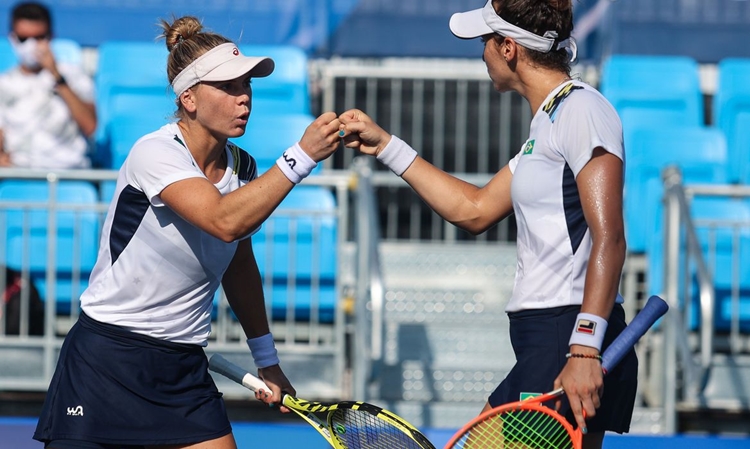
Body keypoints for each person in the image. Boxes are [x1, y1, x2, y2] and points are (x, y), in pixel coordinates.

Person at [33, 15, 342, 449]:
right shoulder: (154, 152)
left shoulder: (244, 166)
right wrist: (301, 157)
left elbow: (238, 263)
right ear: (190, 99)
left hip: (183, 368)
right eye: (229, 87)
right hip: (107, 361)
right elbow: (223, 220)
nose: (244, 99)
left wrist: (267, 360)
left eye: (247, 85)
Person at [339, 1, 637, 448]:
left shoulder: (581, 111)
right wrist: (387, 146)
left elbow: (609, 237)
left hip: (567, 337)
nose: (481, 53)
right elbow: (474, 209)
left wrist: (583, 347)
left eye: (485, 42)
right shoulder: (550, 122)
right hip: (553, 338)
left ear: (508, 47)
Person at [0, 1, 96, 169]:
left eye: (38, 38)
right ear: (12, 38)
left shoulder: (74, 76)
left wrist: (57, 76)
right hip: (18, 173)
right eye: (23, 39)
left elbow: (90, 126)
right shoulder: (4, 83)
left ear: (50, 37)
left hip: (68, 173)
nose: (30, 45)